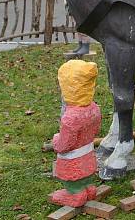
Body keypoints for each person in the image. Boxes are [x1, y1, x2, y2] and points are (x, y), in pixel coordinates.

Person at [50, 60, 102, 208]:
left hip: (72, 163)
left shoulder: (70, 117)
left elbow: (64, 145)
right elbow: (96, 131)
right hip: (89, 158)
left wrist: (56, 141)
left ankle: (75, 194)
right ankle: (87, 188)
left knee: (72, 180)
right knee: (85, 177)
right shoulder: (94, 108)